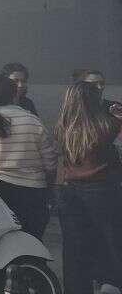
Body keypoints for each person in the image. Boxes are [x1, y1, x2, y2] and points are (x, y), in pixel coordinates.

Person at [0, 75, 56, 243]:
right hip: (32, 193)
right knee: (31, 242)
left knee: (0, 245)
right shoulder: (33, 121)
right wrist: (49, 190)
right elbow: (50, 162)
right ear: (15, 95)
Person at [56, 79, 122, 294]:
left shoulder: (62, 128)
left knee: (74, 250)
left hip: (70, 191)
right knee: (110, 243)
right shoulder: (107, 125)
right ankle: (110, 284)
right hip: (102, 190)